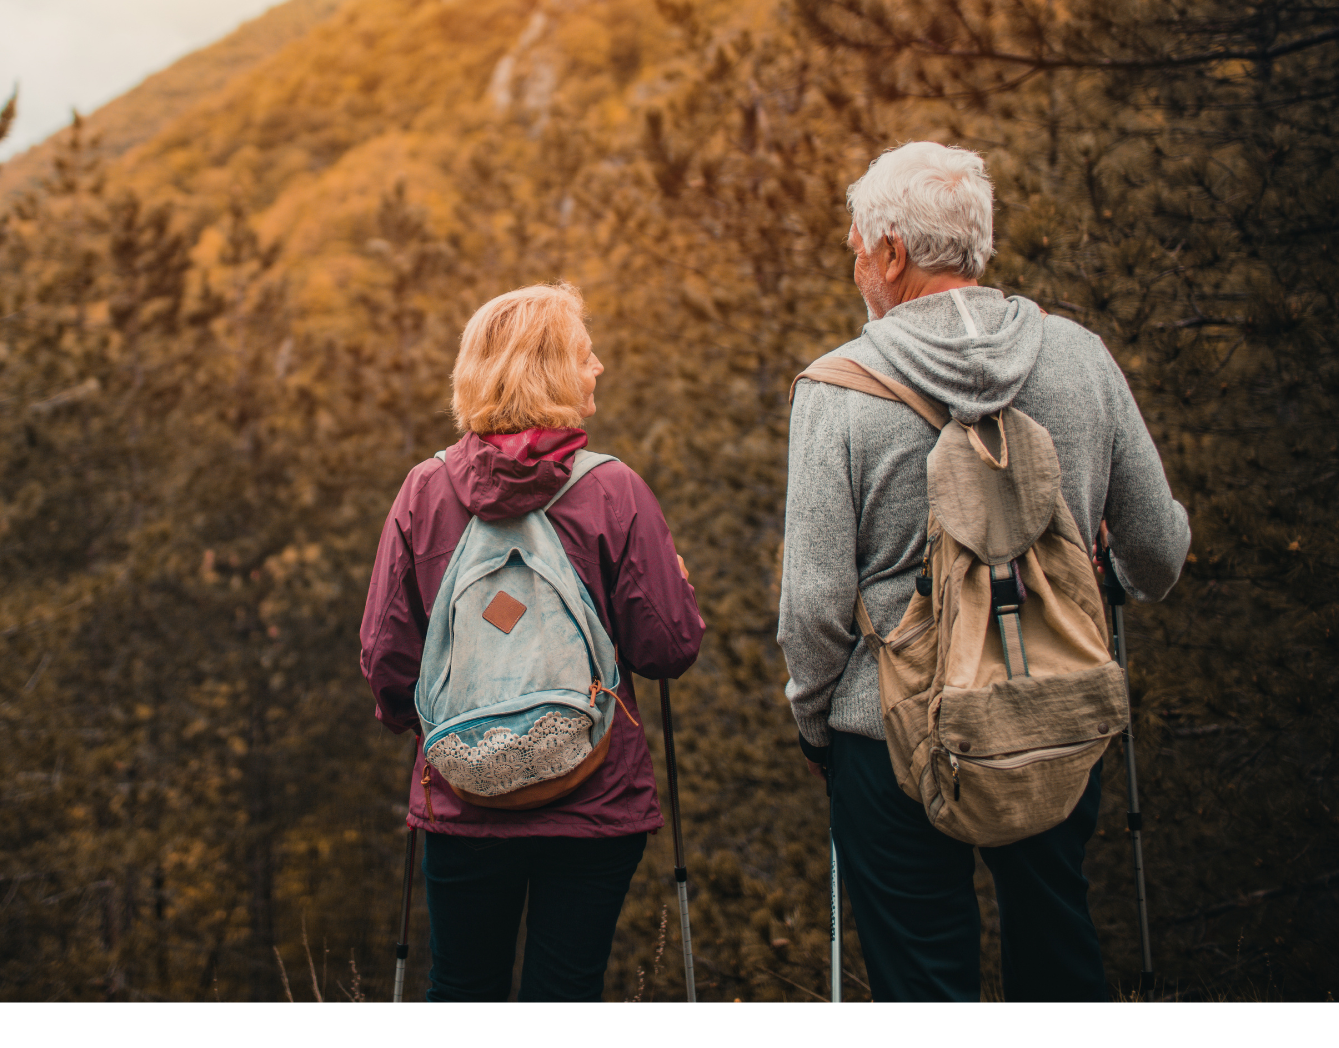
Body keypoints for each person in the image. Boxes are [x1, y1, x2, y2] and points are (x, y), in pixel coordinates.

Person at [779, 142, 1191, 1001]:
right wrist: (1104, 575)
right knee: (1057, 944)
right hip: (1056, 710)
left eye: (856, 245)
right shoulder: (1079, 355)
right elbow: (1158, 550)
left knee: (924, 985)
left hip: (889, 734)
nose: (855, 262)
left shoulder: (838, 389)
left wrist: (816, 720)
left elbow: (814, 606)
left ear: (891, 253)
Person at [359, 281, 704, 1002]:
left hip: (463, 789)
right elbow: (667, 648)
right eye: (585, 353)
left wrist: (418, 728)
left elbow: (386, 656)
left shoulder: (424, 492)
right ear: (549, 371)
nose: (598, 365)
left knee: (461, 985)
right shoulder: (615, 491)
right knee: (566, 991)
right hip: (595, 792)